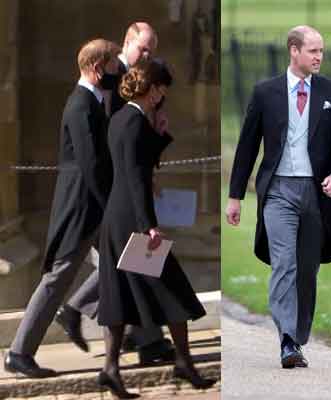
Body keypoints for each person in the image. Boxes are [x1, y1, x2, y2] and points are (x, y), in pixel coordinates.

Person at [225, 25, 331, 368]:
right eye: (313, 51)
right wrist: (235, 196)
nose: (319, 57)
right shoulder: (265, 92)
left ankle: (297, 337)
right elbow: (248, 145)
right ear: (294, 51)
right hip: (278, 191)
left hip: (316, 193)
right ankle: (286, 340)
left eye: (321, 51)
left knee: (307, 270)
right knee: (284, 263)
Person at [55, 22, 174, 366]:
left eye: (153, 50)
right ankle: (84, 314)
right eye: (144, 48)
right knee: (130, 259)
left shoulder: (134, 78)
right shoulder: (111, 76)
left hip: (125, 181)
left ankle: (144, 339)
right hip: (110, 187)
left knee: (132, 262)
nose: (148, 55)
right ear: (127, 42)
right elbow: (114, 138)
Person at [96, 59, 215, 398]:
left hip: (117, 217)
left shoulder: (123, 118)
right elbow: (136, 177)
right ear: (152, 89)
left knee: (120, 295)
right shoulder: (133, 121)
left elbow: (140, 160)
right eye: (162, 90)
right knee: (174, 288)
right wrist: (149, 225)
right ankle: (182, 362)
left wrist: (159, 131)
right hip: (132, 220)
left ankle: (111, 369)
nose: (163, 96)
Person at [3, 39, 120, 379]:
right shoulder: (81, 105)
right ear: (97, 68)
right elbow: (91, 165)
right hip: (82, 209)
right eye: (113, 67)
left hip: (94, 207)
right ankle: (19, 352)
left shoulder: (94, 101)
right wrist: (114, 205)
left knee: (128, 263)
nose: (118, 72)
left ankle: (78, 312)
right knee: (58, 277)